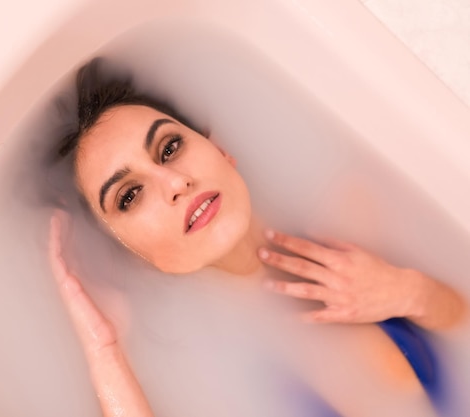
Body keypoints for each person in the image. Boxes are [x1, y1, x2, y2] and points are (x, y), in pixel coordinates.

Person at [48, 57, 466, 416]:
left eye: (170, 148)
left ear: (221, 151)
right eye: (130, 196)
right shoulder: (214, 381)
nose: (174, 182)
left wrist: (409, 292)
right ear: (132, 255)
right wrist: (105, 351)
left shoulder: (354, 218)